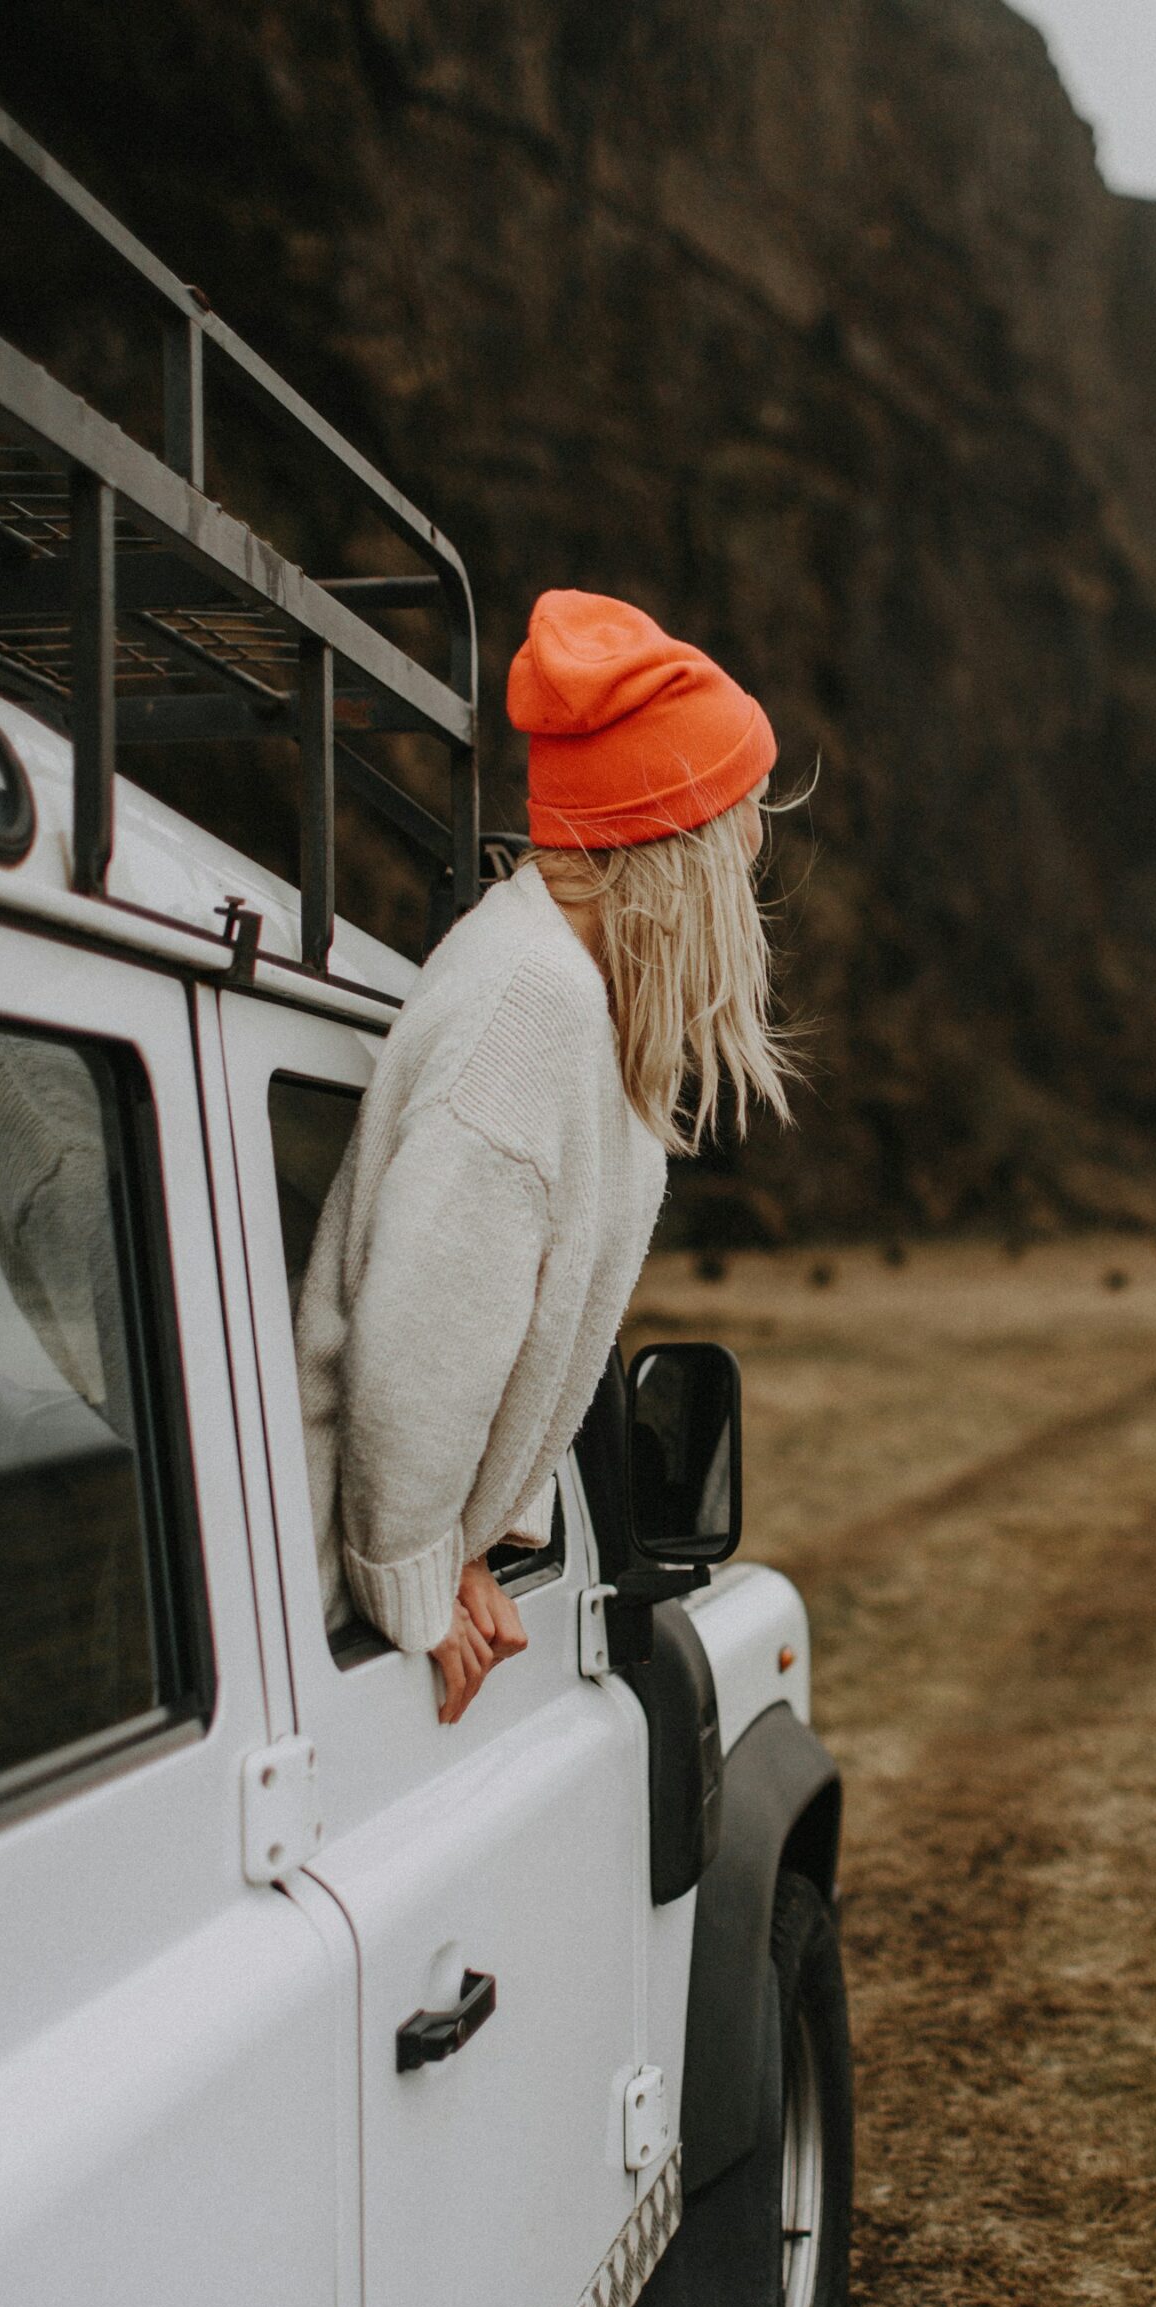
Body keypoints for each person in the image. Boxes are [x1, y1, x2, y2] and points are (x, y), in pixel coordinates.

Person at [295, 589, 791, 1722]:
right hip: (334, 1619)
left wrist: (477, 1539)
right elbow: (419, 1352)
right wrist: (418, 1579)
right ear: (676, 854)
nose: (751, 876)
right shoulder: (533, 1012)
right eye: (740, 838)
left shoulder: (563, 995)